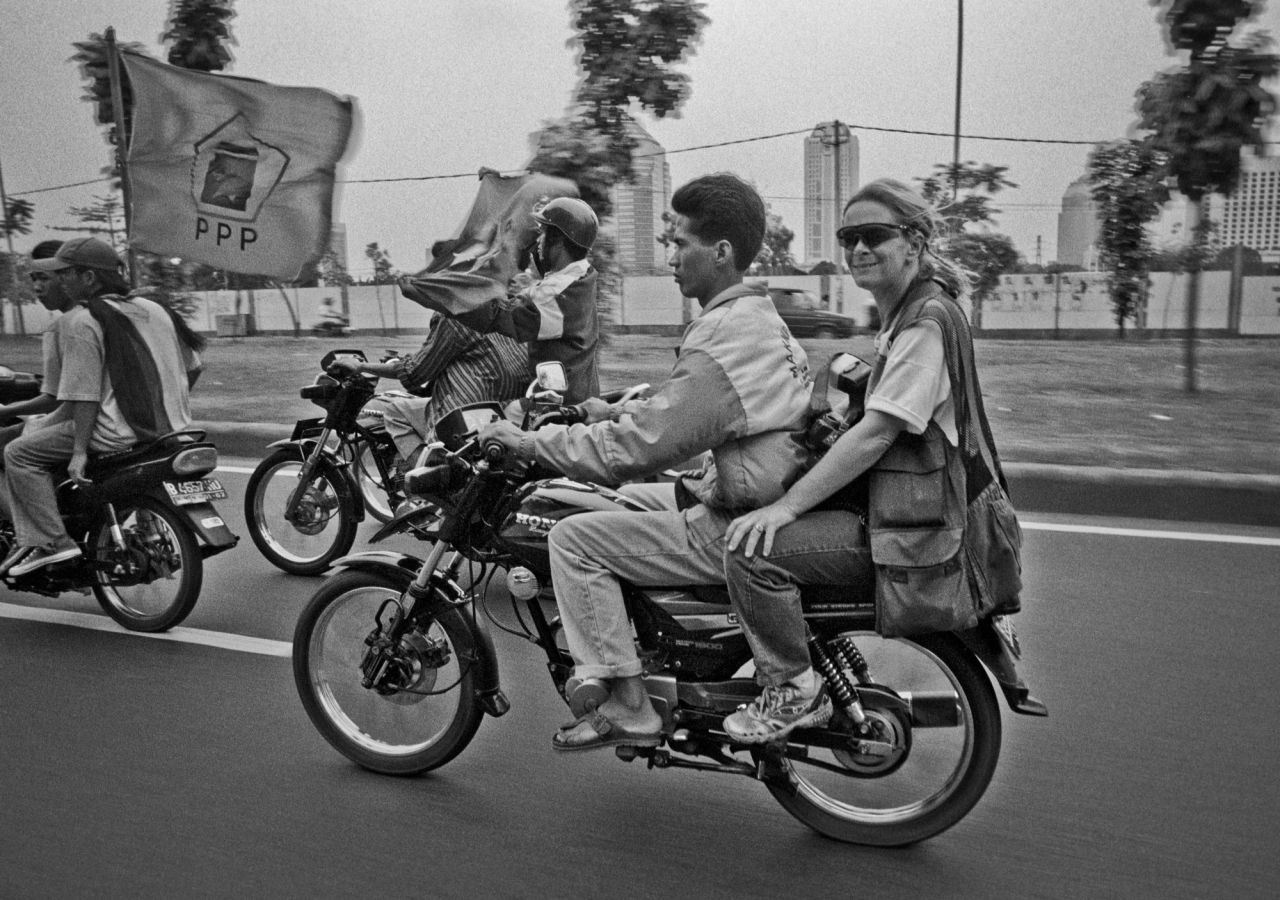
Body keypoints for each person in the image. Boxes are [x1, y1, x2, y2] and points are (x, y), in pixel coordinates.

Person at [478, 173, 813, 751]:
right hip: (742, 487)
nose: (671, 255)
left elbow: (636, 450)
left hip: (733, 515)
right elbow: (681, 407)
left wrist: (530, 444)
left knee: (574, 539)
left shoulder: (722, 334)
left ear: (722, 252)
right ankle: (647, 646)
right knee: (624, 503)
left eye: (681, 243)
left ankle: (630, 703)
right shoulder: (757, 318)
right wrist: (594, 411)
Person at [719, 177, 1006, 743]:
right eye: (849, 238)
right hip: (905, 514)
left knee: (751, 552)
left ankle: (792, 690)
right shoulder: (906, 315)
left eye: (874, 236)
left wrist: (784, 507)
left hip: (924, 529)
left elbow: (877, 435)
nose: (858, 250)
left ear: (915, 242)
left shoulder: (926, 321)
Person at [0, 237, 202, 578]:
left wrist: (79, 451)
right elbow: (194, 366)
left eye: (65, 274)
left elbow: (83, 398)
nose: (60, 281)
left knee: (18, 453)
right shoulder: (155, 309)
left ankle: (51, 542)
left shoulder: (83, 322)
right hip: (173, 430)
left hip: (115, 434)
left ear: (89, 279)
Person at [401, 196, 601, 405]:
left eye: (543, 234)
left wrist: (431, 297)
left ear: (559, 241)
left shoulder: (558, 294)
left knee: (494, 429)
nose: (538, 242)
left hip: (558, 404)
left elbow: (496, 314)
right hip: (573, 394)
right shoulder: (580, 277)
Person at [328, 315, 531, 467]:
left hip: (467, 415)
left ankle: (429, 478)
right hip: (508, 409)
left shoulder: (454, 318)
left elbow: (415, 371)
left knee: (393, 411)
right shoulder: (506, 313)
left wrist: (362, 367)